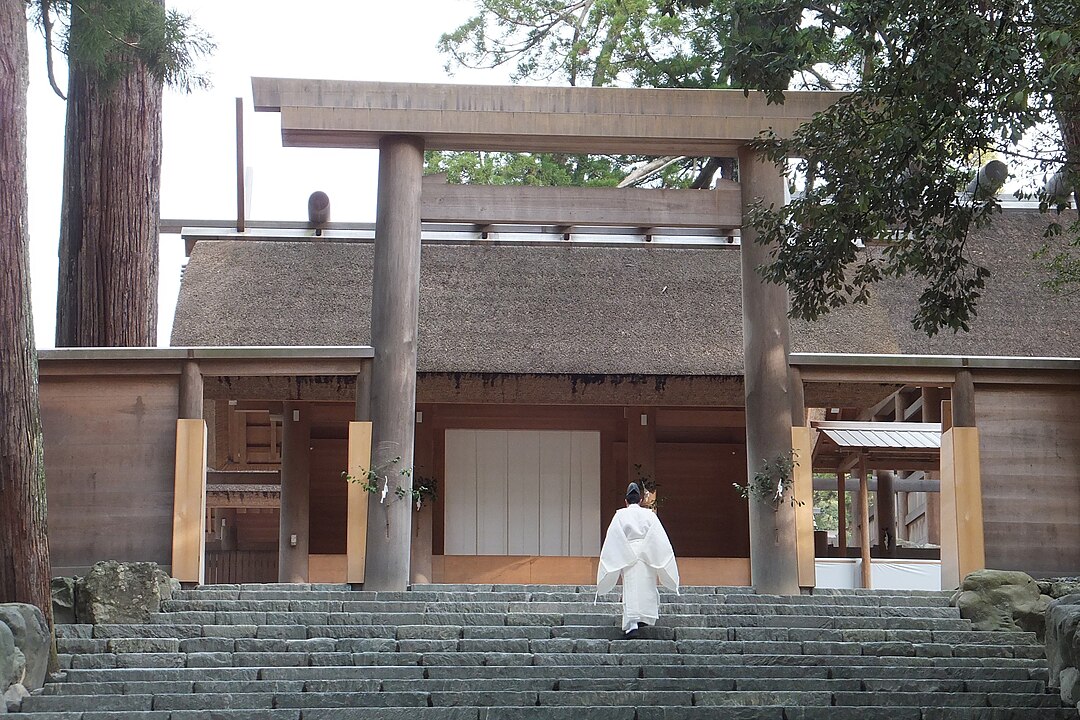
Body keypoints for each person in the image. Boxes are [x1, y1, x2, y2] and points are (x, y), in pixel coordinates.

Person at [596, 482, 680, 638]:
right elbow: (658, 536)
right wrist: (649, 550)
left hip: (628, 553)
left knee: (631, 588)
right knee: (646, 586)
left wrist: (622, 554)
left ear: (626, 501)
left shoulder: (620, 515)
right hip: (647, 553)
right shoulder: (649, 515)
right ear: (640, 500)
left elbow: (614, 537)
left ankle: (633, 624)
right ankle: (640, 619)